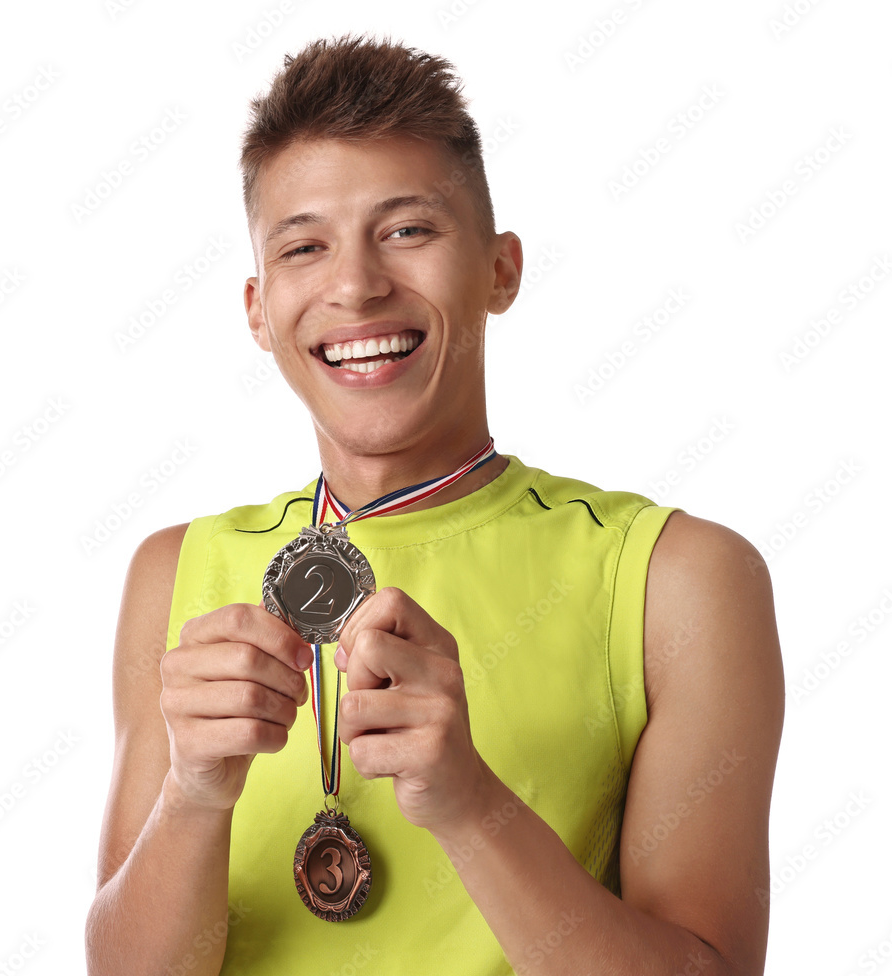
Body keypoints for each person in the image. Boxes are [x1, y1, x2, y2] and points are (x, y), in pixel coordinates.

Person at [85, 33, 785, 976]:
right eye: (304, 246)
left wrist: (468, 804)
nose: (356, 285)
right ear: (258, 308)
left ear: (501, 270)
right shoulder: (174, 573)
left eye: (408, 230)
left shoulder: (678, 579)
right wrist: (194, 795)